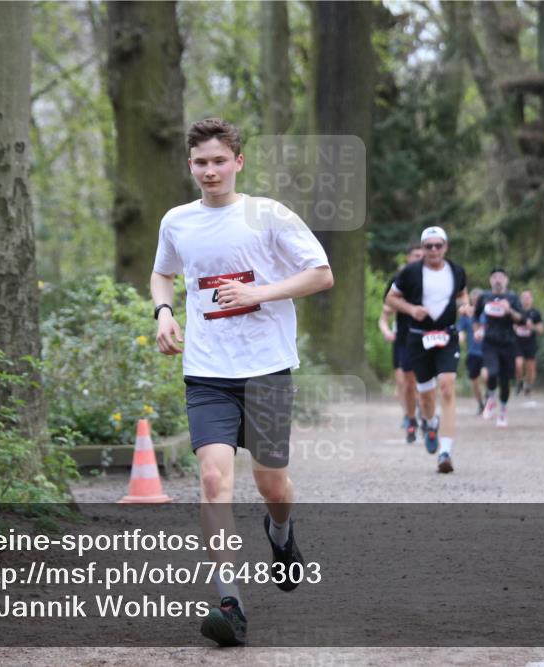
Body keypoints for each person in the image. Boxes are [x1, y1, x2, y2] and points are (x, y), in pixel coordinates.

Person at [151, 118, 333, 646]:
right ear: (190, 165)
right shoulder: (177, 222)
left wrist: (260, 294)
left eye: (219, 161)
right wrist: (164, 312)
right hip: (207, 373)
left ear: (238, 162)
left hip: (267, 368)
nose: (210, 171)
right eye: (200, 162)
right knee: (213, 481)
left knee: (271, 483)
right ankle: (229, 601)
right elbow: (162, 271)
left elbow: (321, 274)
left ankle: (281, 534)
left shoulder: (268, 215)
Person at [386, 226, 469, 474]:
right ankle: (430, 422)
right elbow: (390, 299)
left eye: (438, 245)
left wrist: (465, 306)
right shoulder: (411, 273)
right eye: (428, 246)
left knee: (447, 386)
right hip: (418, 338)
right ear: (422, 249)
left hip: (447, 336)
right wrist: (412, 310)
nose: (433, 250)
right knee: (426, 395)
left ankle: (445, 452)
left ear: (446, 247)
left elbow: (463, 294)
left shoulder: (456, 271)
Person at [378, 244, 425, 443]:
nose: (420, 258)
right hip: (403, 339)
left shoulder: (432, 281)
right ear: (408, 258)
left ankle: (425, 414)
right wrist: (388, 331)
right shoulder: (398, 285)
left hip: (427, 338)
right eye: (416, 255)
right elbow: (385, 314)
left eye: (422, 255)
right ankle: (411, 417)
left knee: (424, 383)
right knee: (405, 383)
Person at [475, 268, 524, 428]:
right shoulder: (485, 297)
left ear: (506, 280)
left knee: (505, 381)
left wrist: (508, 310)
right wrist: (477, 331)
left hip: (508, 342)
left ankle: (502, 410)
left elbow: (521, 320)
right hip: (490, 341)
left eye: (501, 277)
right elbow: (476, 315)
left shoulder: (513, 297)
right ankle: (490, 398)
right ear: (490, 280)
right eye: (494, 277)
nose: (498, 280)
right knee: (491, 371)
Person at [458, 288, 487, 415]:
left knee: (486, 376)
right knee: (474, 382)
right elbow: (460, 329)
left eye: (479, 299)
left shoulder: (489, 314)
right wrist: (460, 336)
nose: (477, 302)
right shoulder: (466, 315)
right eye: (474, 299)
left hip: (487, 351)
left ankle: (489, 396)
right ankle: (481, 404)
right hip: (473, 352)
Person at [513, 289, 544, 396]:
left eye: (528, 297)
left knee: (531, 369)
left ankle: (528, 386)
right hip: (518, 343)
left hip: (530, 343)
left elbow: (541, 330)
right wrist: (513, 327)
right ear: (520, 300)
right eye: (523, 297)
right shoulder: (516, 313)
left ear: (532, 299)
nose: (526, 300)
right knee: (518, 364)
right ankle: (519, 382)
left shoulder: (535, 313)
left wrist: (532, 327)